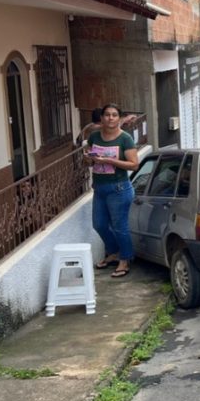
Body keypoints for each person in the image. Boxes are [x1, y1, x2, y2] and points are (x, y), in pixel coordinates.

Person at [84, 103, 139, 277]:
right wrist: (88, 158)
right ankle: (114, 252)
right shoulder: (94, 137)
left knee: (119, 226)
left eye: (114, 115)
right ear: (101, 118)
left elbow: (134, 165)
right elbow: (90, 162)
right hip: (99, 187)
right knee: (99, 224)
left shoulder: (125, 139)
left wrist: (110, 161)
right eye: (107, 115)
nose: (110, 118)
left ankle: (125, 260)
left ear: (119, 118)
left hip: (119, 188)